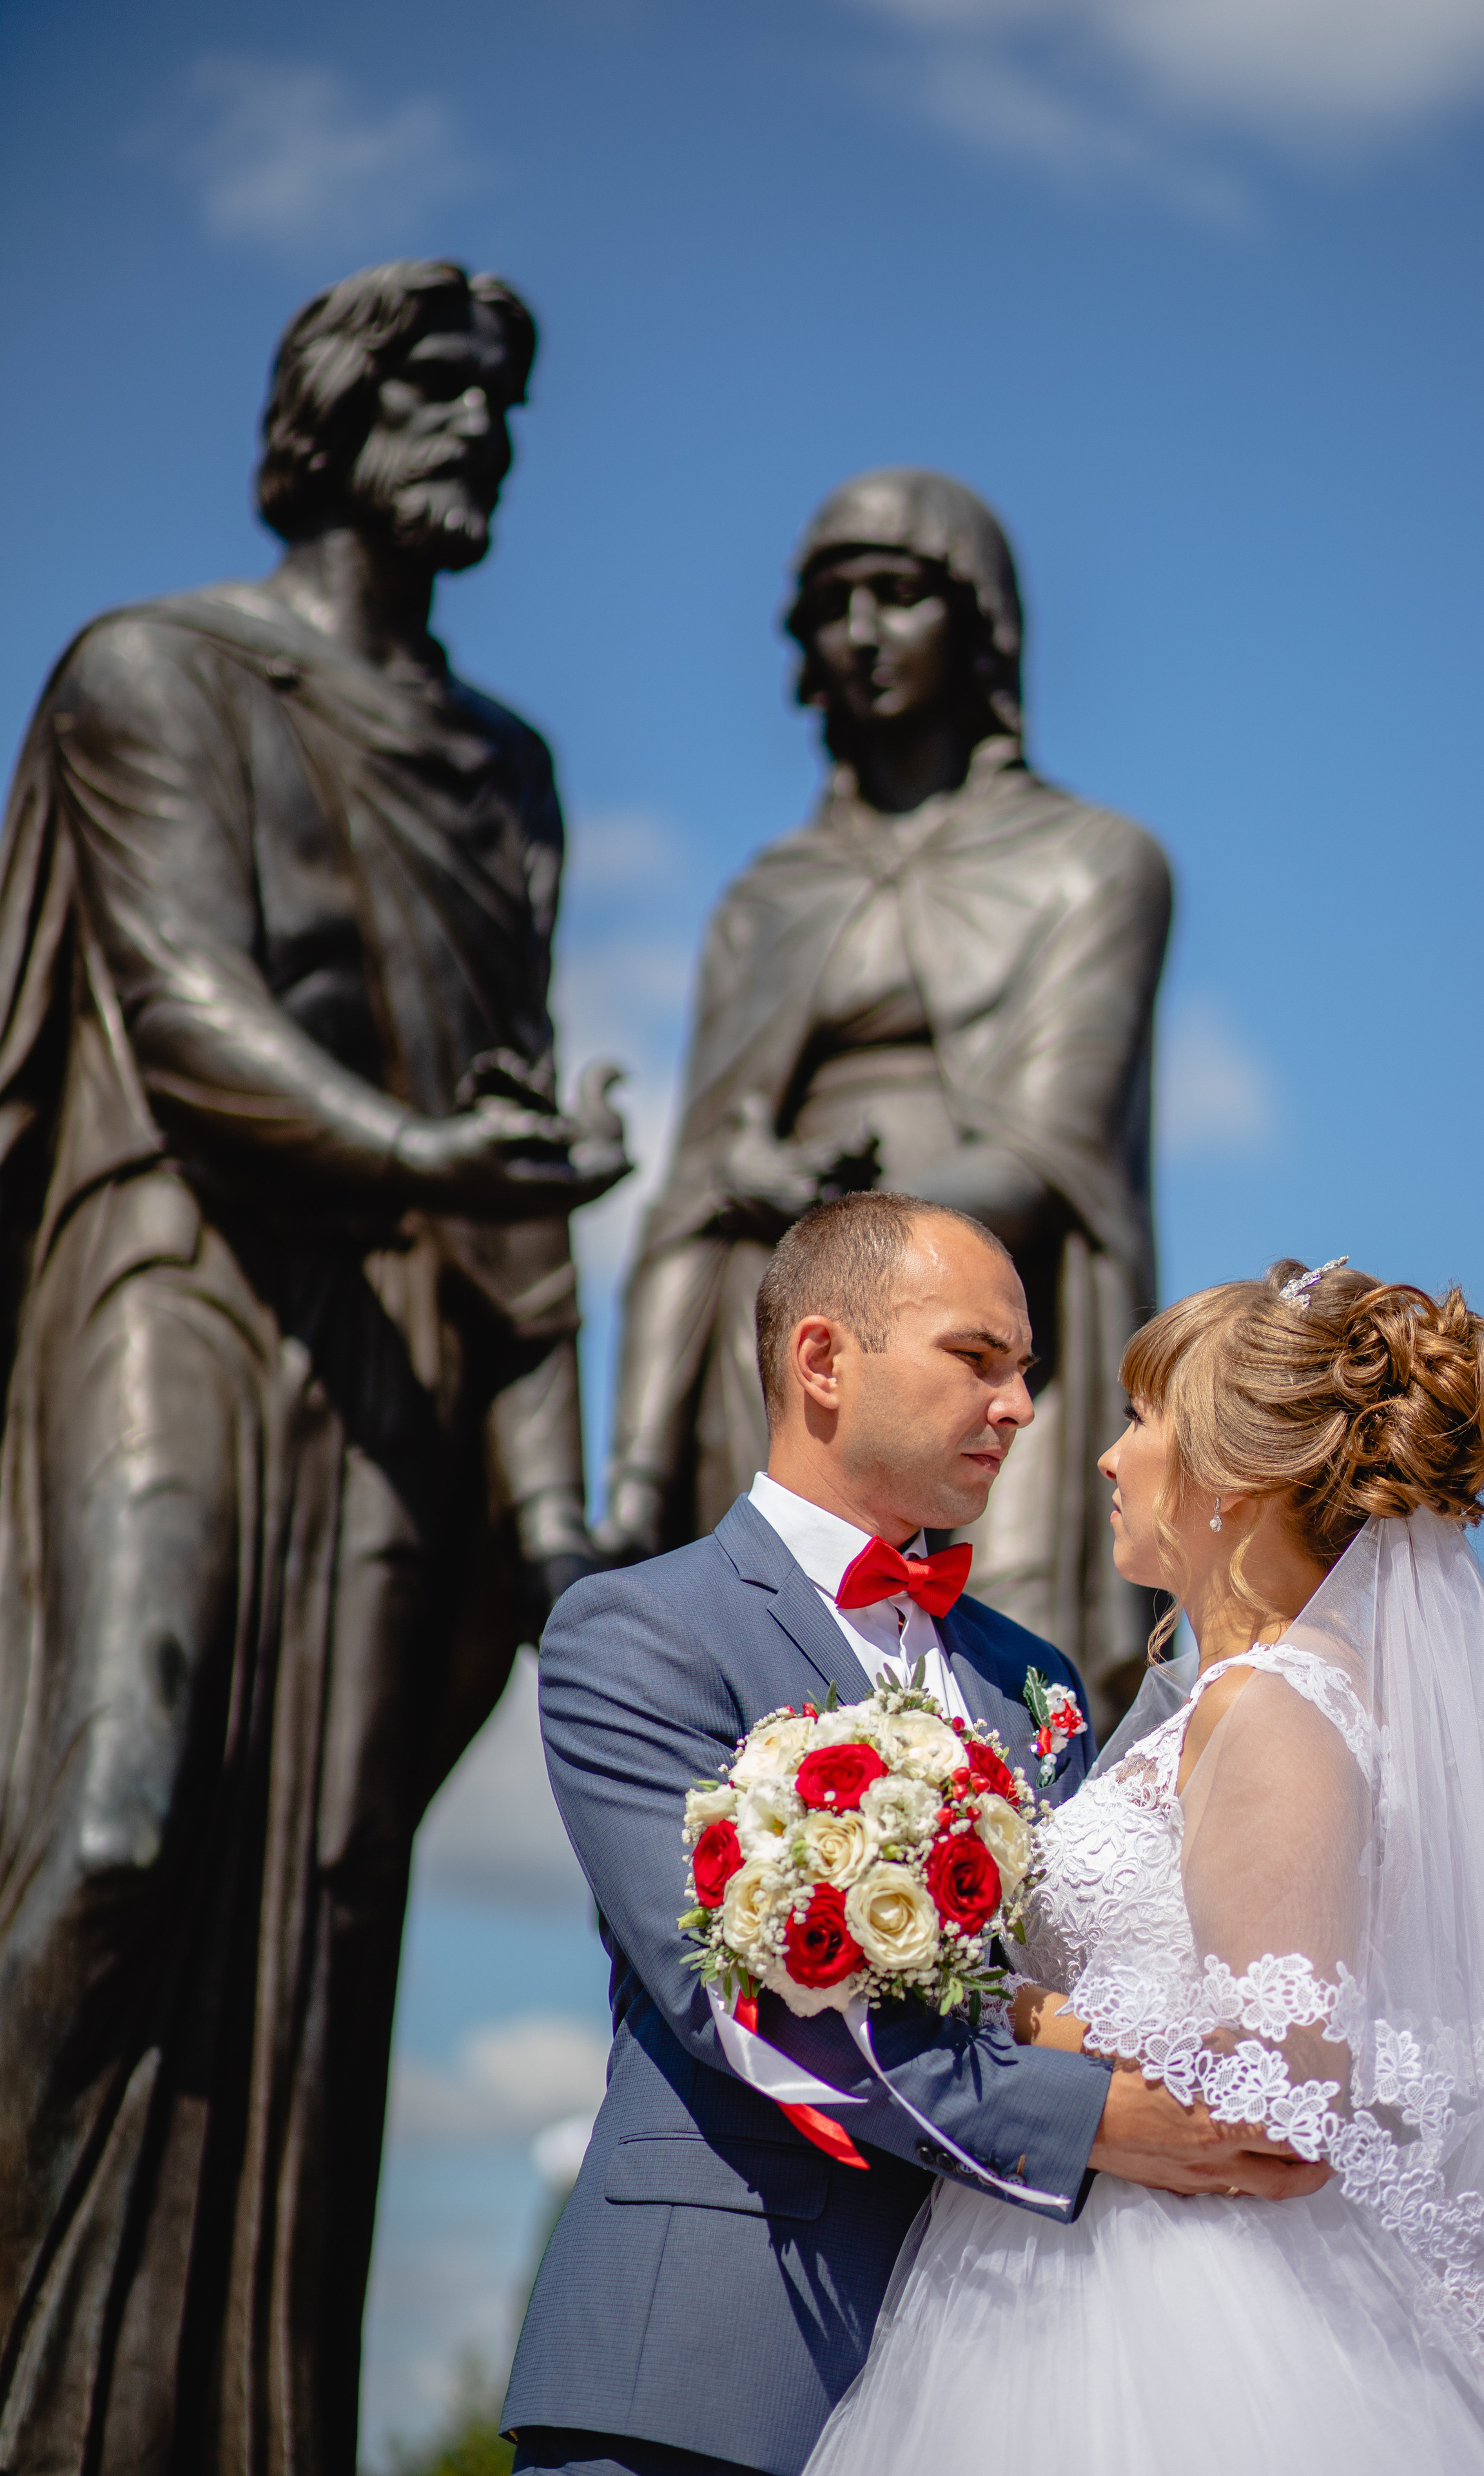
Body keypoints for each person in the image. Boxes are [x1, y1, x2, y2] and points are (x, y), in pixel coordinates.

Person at [0, 259, 626, 2473]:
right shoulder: (150, 676)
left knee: (336, 1922)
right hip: (171, 1279)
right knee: (113, 1816)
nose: (484, 438)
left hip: (395, 1370)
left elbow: (518, 1150)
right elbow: (182, 1012)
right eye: (441, 396)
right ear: (332, 420)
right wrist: (419, 1146)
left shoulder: (505, 771)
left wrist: (559, 1519)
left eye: (503, 408)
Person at [503, 1193, 1325, 2476]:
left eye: (1025, 1373)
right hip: (709, 2367)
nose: (1019, 1408)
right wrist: (1099, 2123)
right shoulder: (637, 1633)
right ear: (822, 1361)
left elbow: (1072, 1967)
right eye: (976, 1359)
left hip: (999, 2372)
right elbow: (735, 2005)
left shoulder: (1032, 1677)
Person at [803, 1257, 1484, 2476]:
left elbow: (1282, 2085)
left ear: (1237, 1481)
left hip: (1170, 2303)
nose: (1107, 1455)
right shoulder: (1251, 1698)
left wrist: (1008, 2012)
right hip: (1073, 2250)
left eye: (1146, 1419)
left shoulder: (1271, 1708)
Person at [598, 469, 1171, 1718]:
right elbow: (689, 1189)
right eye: (830, 605)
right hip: (780, 1362)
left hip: (995, 1356)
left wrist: (832, 1210)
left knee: (995, 1733)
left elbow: (1046, 1153)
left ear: (980, 627)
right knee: (762, 1774)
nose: (859, 634)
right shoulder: (766, 898)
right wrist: (632, 1478)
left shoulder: (1090, 867)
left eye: (898, 595)